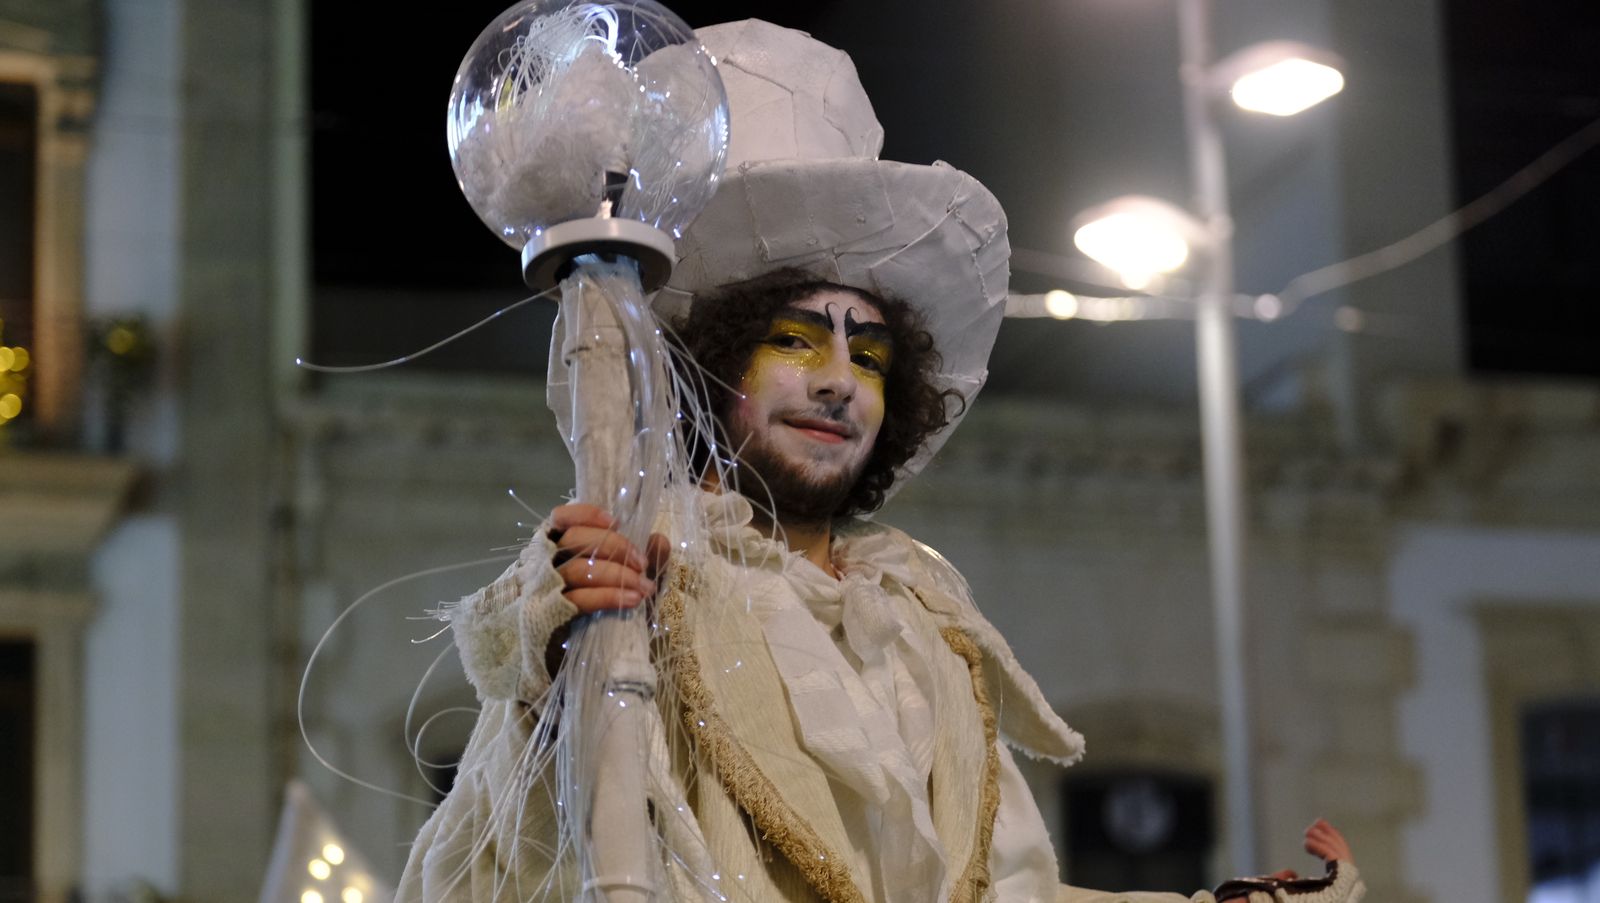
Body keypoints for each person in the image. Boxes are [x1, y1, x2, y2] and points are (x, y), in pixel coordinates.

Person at [398, 20, 1365, 903]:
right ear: (709, 359)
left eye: (867, 356)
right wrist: (551, 684)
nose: (837, 383)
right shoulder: (633, 581)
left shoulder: (921, 626)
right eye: (793, 341)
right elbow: (477, 874)